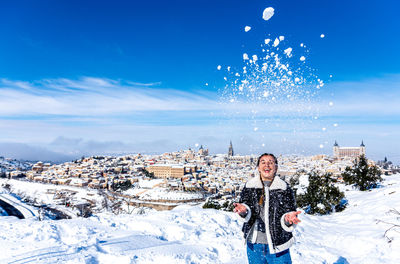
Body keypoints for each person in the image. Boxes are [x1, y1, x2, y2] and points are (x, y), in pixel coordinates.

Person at [234, 153, 301, 264]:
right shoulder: (249, 186)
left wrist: (288, 220)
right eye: (263, 162)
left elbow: (290, 211)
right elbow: (245, 206)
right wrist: (243, 211)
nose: (267, 165)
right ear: (258, 168)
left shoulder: (284, 188)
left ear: (276, 167)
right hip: (254, 243)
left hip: (278, 244)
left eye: (271, 162)